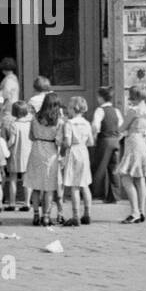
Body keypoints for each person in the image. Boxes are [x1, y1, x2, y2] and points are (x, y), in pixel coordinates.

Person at [116, 86, 146, 223]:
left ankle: (134, 212)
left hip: (134, 143)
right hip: (144, 143)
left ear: (133, 96)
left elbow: (122, 127)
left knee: (125, 177)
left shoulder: (133, 111)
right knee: (140, 178)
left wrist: (120, 130)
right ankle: (142, 211)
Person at [24, 91, 65, 227]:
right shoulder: (58, 121)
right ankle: (46, 216)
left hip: (36, 150)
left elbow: (31, 136)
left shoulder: (35, 118)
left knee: (36, 186)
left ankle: (36, 214)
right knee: (49, 187)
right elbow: (59, 141)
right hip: (50, 152)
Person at [60, 96, 95, 226]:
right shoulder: (87, 123)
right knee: (84, 184)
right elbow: (91, 142)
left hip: (74, 152)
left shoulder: (69, 123)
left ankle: (75, 216)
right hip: (83, 151)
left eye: (69, 108)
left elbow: (68, 142)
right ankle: (87, 214)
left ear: (73, 109)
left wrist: (62, 143)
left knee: (75, 185)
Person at [90, 86, 124, 204]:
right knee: (114, 168)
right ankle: (114, 196)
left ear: (100, 98)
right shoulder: (116, 111)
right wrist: (118, 137)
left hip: (104, 140)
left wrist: (94, 137)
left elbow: (95, 126)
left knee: (99, 167)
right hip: (115, 140)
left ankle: (94, 194)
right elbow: (121, 126)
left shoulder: (100, 111)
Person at [4, 101, 33, 213]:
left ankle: (12, 203)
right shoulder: (30, 124)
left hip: (16, 153)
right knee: (27, 179)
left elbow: (12, 141)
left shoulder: (14, 125)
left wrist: (5, 147)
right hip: (28, 153)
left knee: (12, 179)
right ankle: (27, 202)